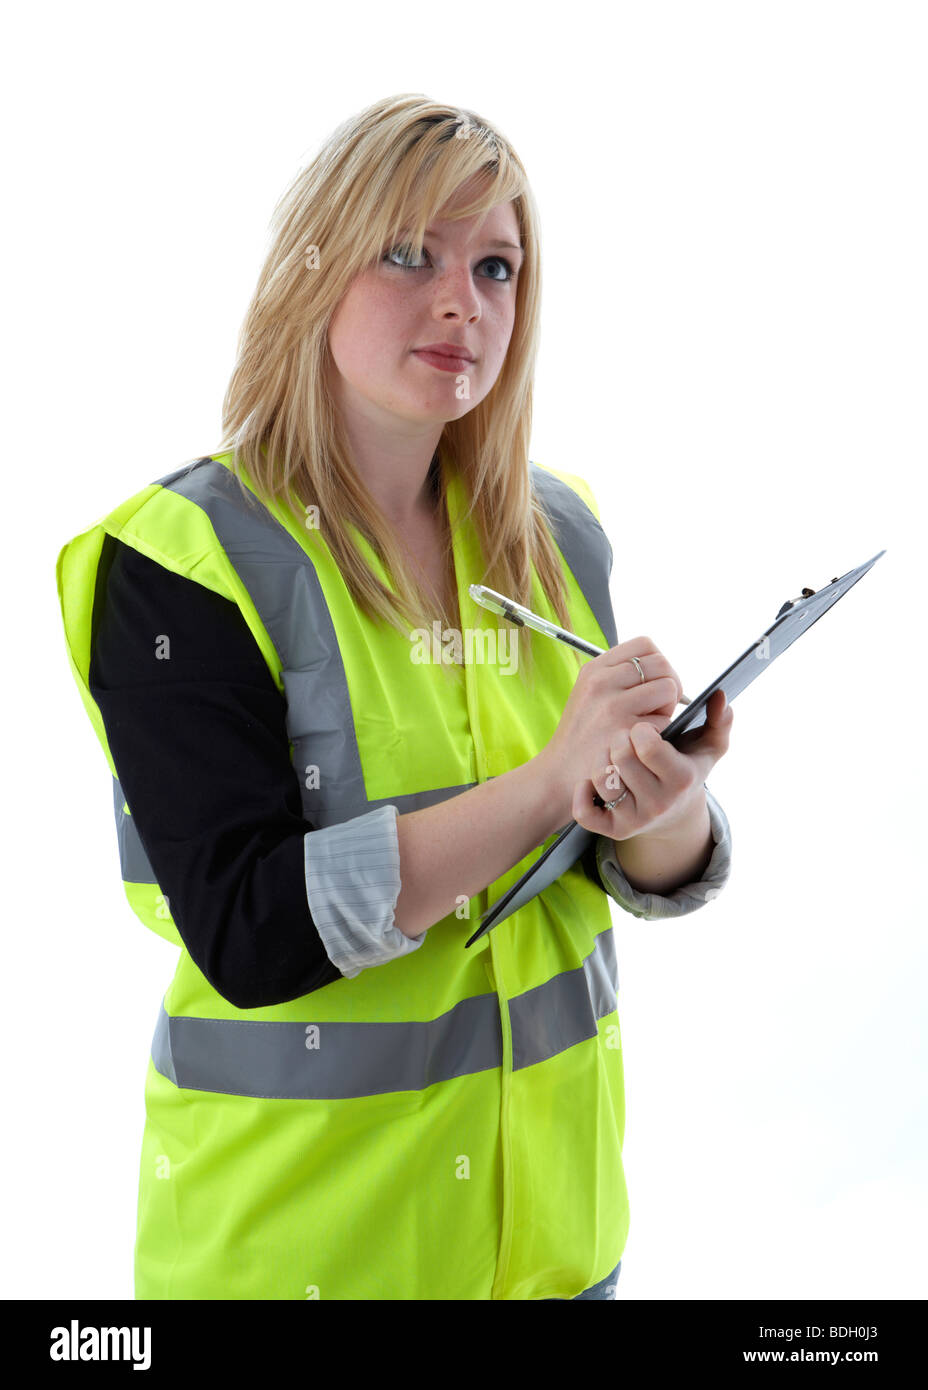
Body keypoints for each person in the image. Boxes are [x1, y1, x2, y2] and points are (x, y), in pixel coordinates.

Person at [56, 94, 734, 1301]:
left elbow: (615, 860)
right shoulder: (179, 563)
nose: (461, 301)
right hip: (303, 1259)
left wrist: (661, 804)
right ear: (313, 267)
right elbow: (250, 927)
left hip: (559, 1253)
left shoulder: (554, 528)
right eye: (408, 252)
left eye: (496, 266)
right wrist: (546, 784)